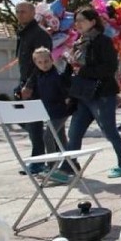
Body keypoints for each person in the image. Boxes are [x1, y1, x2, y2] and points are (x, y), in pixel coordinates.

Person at [62, 7, 121, 178]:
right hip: (82, 94)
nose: (78, 24)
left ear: (92, 22)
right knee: (75, 131)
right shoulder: (79, 42)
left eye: (82, 20)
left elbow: (109, 68)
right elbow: (72, 69)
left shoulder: (103, 41)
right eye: (76, 21)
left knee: (109, 131)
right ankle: (69, 166)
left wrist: (82, 70)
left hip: (102, 94)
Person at [21, 47, 72, 183]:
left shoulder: (57, 74)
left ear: (51, 59)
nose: (44, 64)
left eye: (46, 61)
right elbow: (34, 88)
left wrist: (68, 99)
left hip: (61, 111)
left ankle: (51, 168)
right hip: (50, 111)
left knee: (48, 137)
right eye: (40, 62)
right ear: (36, 63)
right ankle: (71, 165)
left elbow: (66, 88)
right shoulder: (38, 75)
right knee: (61, 139)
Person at [14, 2, 52, 164]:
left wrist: (29, 84)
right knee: (21, 117)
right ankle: (43, 149)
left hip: (37, 84)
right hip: (24, 82)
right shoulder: (23, 33)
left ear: (32, 12)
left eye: (23, 11)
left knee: (34, 123)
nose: (19, 14)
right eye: (17, 12)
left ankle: (37, 160)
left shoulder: (39, 34)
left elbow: (42, 64)